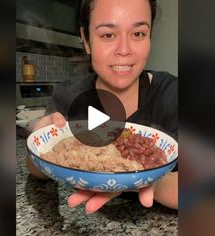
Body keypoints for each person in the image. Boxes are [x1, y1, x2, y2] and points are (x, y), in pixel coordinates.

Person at [26, 0, 178, 213]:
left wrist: (145, 180)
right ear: (86, 39)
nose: (124, 50)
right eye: (108, 35)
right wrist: (38, 146)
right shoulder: (68, 95)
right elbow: (36, 170)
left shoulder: (174, 95)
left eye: (138, 34)